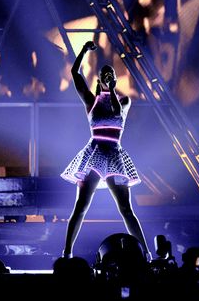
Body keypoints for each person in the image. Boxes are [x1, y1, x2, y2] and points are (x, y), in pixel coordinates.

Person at [60, 40, 152, 262]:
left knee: (125, 209)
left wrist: (111, 90)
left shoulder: (124, 100)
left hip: (114, 155)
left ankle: (146, 253)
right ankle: (67, 253)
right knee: (81, 206)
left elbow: (118, 112)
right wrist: (83, 51)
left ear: (115, 79)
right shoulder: (90, 101)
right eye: (105, 73)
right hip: (95, 153)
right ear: (99, 78)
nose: (109, 76)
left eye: (111, 73)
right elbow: (75, 73)